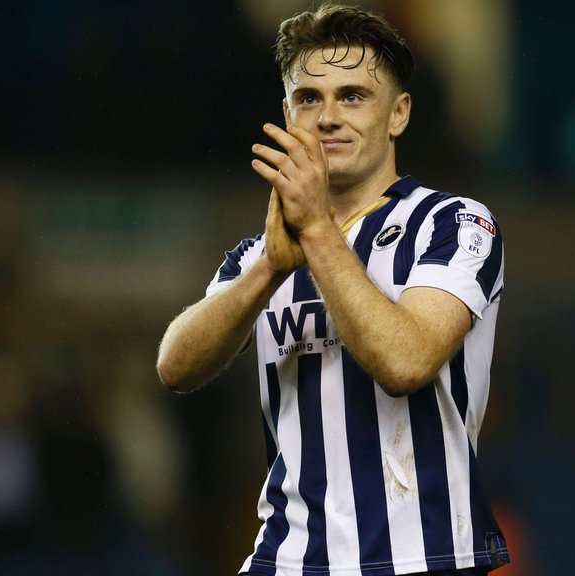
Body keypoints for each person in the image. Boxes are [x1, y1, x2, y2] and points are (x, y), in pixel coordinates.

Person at [157, 3, 509, 575]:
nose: (327, 117)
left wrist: (317, 232)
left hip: (421, 557)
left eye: (352, 96)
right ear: (287, 113)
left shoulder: (454, 223)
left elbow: (405, 361)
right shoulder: (259, 256)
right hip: (289, 559)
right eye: (308, 98)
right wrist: (270, 270)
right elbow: (175, 366)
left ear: (398, 114)